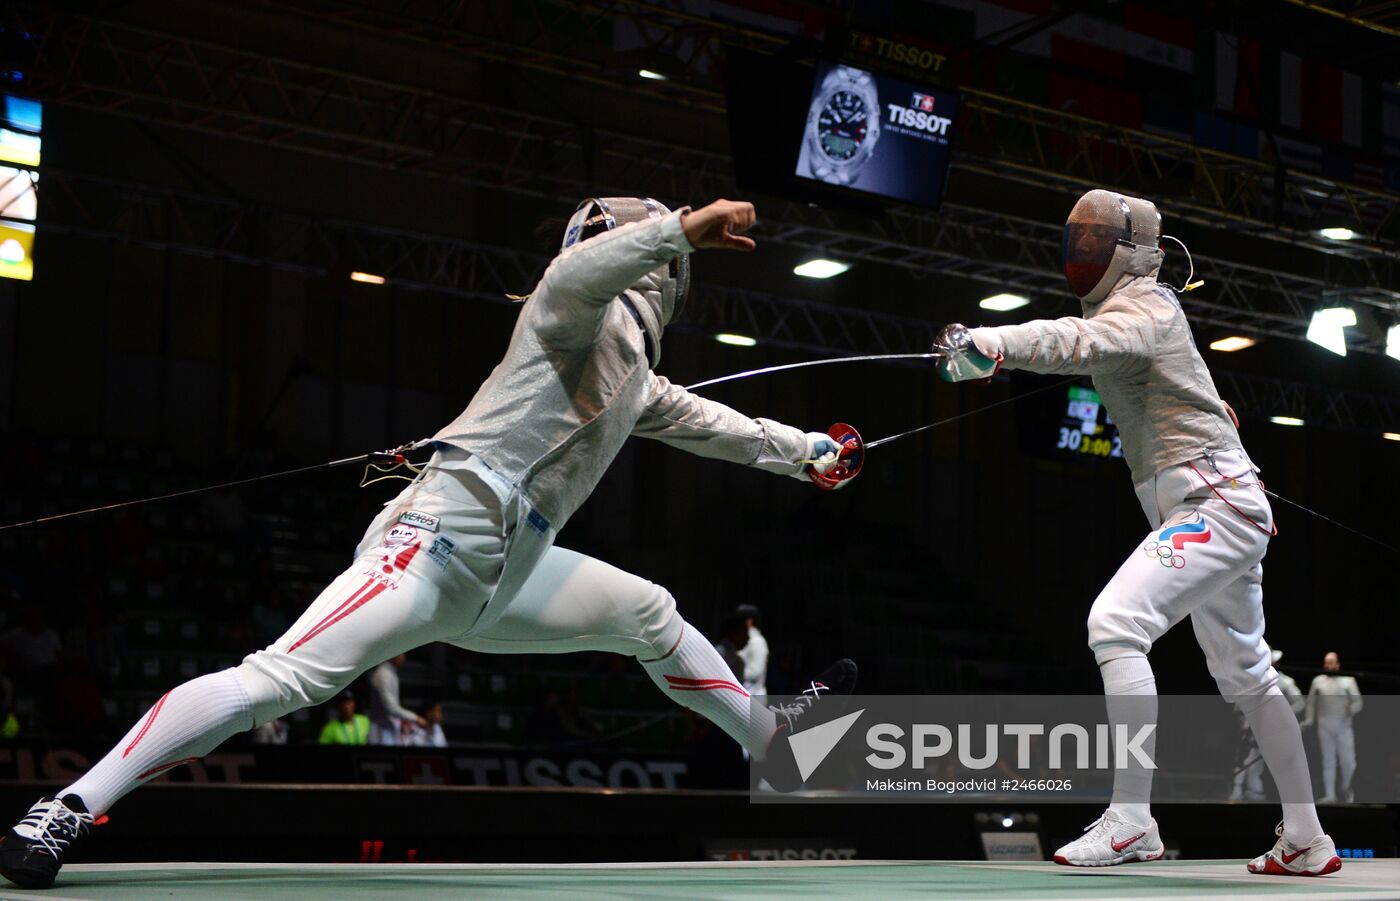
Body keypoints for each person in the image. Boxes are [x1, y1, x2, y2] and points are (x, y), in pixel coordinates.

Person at [0, 197, 857, 890]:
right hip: (433, 545)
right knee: (278, 679)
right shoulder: (563, 310)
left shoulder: (638, 381)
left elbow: (727, 428)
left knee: (651, 613)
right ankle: (68, 805)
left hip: (511, 574)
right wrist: (677, 228)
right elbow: (576, 271)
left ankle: (771, 743)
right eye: (645, 246)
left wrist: (811, 454)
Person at [936, 189, 1338, 876]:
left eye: (1094, 241)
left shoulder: (1146, 308)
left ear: (1129, 253)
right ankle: (1307, 837)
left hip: (1212, 507)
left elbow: (1078, 340)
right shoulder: (1142, 311)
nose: (1080, 251)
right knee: (1246, 673)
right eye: (1077, 238)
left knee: (1116, 623)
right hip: (1217, 504)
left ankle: (1131, 819)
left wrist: (993, 342)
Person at [1231, 649, 1305, 801]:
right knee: (1242, 758)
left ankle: (1255, 793)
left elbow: (1300, 702)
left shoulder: (1284, 682)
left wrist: (1280, 715)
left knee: (1262, 763)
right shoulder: (1252, 679)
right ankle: (1238, 791)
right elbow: (1240, 702)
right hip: (1250, 726)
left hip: (1271, 729)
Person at [1303, 651, 1363, 803]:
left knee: (1348, 761)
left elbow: (1358, 702)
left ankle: (1346, 789)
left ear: (1337, 664)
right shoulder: (1318, 681)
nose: (1328, 665)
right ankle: (1330, 794)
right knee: (1328, 761)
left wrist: (1351, 708)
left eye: (1331, 662)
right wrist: (1309, 720)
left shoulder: (1348, 681)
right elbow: (1311, 703)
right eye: (1326, 662)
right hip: (1324, 726)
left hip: (1344, 726)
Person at [367, 655, 425, 746]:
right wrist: (415, 718)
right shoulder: (383, 674)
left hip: (390, 728)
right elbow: (390, 708)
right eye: (402, 653)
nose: (404, 657)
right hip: (381, 731)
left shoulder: (390, 672)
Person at [734, 604, 768, 697]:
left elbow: (755, 672)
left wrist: (730, 672)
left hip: (753, 696)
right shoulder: (740, 640)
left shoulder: (757, 641)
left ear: (749, 621)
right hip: (741, 695)